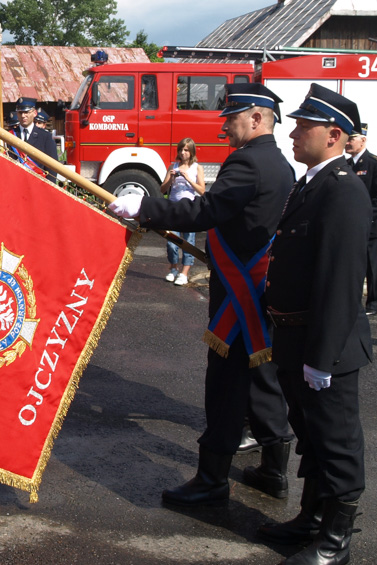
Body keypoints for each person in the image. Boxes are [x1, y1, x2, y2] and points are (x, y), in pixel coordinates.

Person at [108, 83, 294, 506]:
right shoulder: (278, 163)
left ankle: (212, 479)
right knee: (261, 375)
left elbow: (206, 213)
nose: (225, 126)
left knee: (226, 382)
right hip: (257, 287)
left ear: (257, 118)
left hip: (238, 292)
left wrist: (146, 206)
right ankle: (273, 471)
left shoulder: (247, 162)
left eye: (232, 118)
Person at [259, 85, 372, 565]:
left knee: (337, 442)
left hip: (327, 347)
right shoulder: (310, 183)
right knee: (311, 436)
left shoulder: (344, 190)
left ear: (333, 135)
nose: (293, 130)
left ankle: (336, 540)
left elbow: (341, 282)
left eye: (303, 126)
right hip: (295, 338)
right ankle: (310, 518)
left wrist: (321, 360)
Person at [344, 123, 377, 316]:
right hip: (352, 227)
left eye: (351, 139)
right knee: (353, 265)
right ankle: (353, 303)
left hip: (372, 226)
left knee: (373, 267)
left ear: (363, 140)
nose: (347, 142)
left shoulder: (375, 163)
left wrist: (364, 217)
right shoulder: (346, 165)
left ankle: (376, 304)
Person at [160, 138, 206, 286]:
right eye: (181, 150)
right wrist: (172, 177)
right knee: (171, 241)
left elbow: (202, 190)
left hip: (189, 209)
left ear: (192, 151)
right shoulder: (173, 166)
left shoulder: (197, 168)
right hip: (173, 207)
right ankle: (173, 268)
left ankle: (184, 273)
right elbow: (163, 189)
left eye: (186, 150)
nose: (183, 152)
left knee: (188, 241)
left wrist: (188, 179)